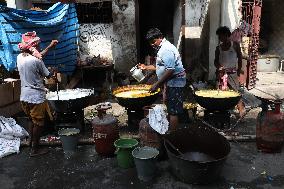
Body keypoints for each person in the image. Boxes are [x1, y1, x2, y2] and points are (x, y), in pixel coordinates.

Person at [17, 31, 58, 156]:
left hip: (24, 96)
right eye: (37, 45)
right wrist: (53, 72)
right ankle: (34, 150)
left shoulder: (20, 57)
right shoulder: (36, 61)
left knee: (31, 120)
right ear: (33, 47)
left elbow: (38, 57)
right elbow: (48, 75)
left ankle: (30, 143)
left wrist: (50, 47)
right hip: (36, 97)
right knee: (39, 124)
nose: (39, 47)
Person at [138, 28, 186, 131]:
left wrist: (157, 84)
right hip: (170, 82)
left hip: (175, 82)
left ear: (160, 37)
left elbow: (170, 70)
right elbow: (160, 66)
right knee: (169, 106)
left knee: (173, 111)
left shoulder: (166, 49)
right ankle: (169, 129)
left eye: (153, 41)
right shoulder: (162, 48)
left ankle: (172, 136)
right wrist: (145, 67)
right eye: (150, 42)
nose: (152, 44)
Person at [214, 26, 246, 118]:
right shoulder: (218, 48)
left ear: (227, 35)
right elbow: (215, 61)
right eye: (219, 37)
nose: (220, 38)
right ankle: (223, 112)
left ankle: (241, 112)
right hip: (221, 74)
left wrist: (239, 70)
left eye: (221, 36)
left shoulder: (235, 45)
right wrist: (219, 67)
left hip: (232, 74)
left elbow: (240, 58)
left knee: (235, 93)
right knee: (220, 93)